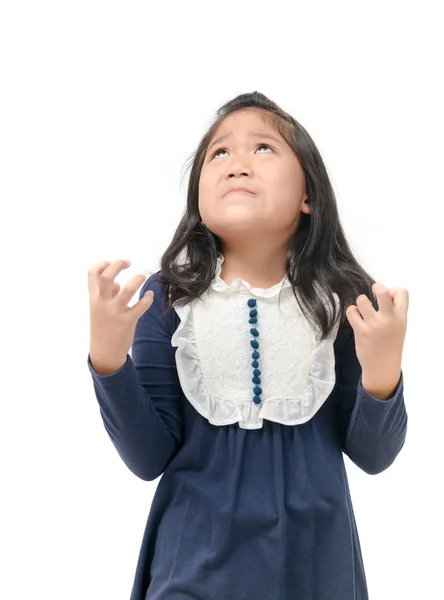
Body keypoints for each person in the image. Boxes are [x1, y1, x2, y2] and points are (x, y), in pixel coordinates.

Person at [87, 91, 409, 600]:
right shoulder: (166, 300)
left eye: (263, 149)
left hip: (315, 569)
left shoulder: (346, 303)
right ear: (198, 197)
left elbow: (374, 456)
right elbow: (148, 457)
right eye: (219, 153)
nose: (237, 164)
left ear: (309, 196)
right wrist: (108, 361)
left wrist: (383, 372)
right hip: (191, 566)